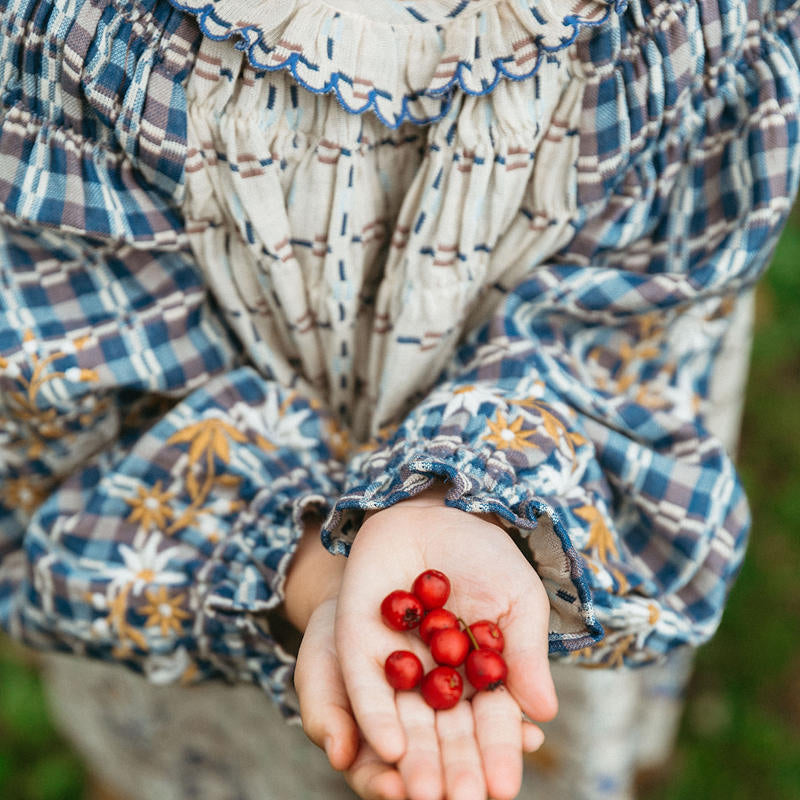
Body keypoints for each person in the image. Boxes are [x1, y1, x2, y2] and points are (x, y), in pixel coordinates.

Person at [0, 0, 797, 798]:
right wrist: (311, 564)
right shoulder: (79, 34)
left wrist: (479, 498)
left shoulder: (681, 23)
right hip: (213, 564)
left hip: (533, 538)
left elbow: (630, 327)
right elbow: (63, 370)